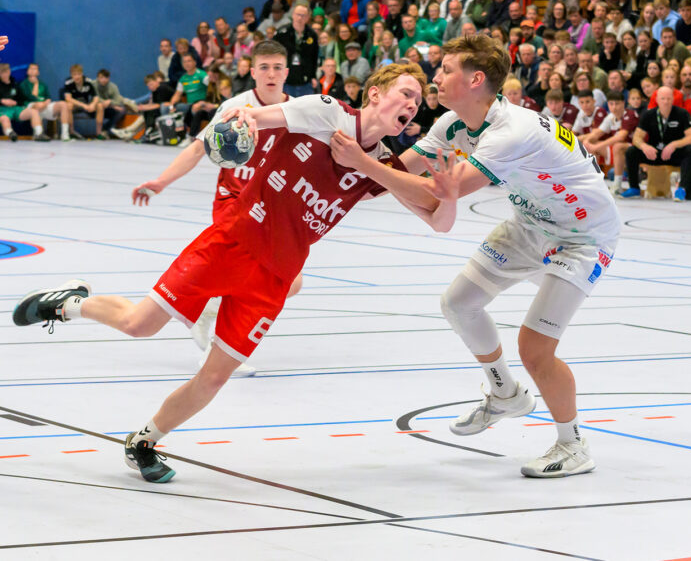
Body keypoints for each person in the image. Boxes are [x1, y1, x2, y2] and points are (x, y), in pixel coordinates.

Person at [13, 62, 451, 484]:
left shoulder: (380, 166)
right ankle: (69, 303)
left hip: (276, 276)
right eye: (406, 94)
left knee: (216, 376)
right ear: (375, 93)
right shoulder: (326, 111)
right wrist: (243, 119)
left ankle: (144, 442)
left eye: (417, 102)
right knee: (139, 325)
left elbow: (435, 212)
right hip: (232, 243)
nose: (412, 105)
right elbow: (256, 116)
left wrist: (435, 176)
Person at [340, 34, 621, 477]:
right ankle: (505, 393)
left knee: (535, 348)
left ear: (474, 80)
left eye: (445, 68)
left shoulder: (511, 132)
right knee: (458, 303)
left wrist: (361, 161)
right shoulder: (452, 123)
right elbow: (394, 176)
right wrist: (345, 156)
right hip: (530, 225)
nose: (435, 75)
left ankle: (574, 445)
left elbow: (443, 190)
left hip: (583, 237)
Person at [131, 41, 295, 372]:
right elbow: (196, 150)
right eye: (264, 67)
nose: (271, 74)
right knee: (255, 277)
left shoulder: (298, 111)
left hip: (272, 210)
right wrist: (162, 181)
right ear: (252, 72)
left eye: (278, 67)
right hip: (234, 206)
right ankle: (219, 348)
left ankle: (211, 312)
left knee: (293, 282)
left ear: (287, 72)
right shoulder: (236, 106)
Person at [620, 86, 691, 201]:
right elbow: (636, 138)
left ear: (673, 99)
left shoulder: (682, 114)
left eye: (668, 98)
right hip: (654, 154)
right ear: (657, 99)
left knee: (690, 150)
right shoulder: (648, 115)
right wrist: (644, 146)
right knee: (631, 151)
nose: (666, 102)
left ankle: (682, 189)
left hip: (673, 154)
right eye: (662, 99)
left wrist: (674, 145)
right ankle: (634, 188)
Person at [274, 4, 320, 97]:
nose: (300, 18)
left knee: (305, 109)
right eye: (298, 14)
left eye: (303, 15)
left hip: (305, 80)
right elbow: (274, 55)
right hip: (285, 79)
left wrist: (313, 76)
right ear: (293, 15)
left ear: (307, 17)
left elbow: (314, 57)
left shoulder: (312, 35)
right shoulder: (281, 33)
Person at [19, 62, 72, 141]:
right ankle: (38, 133)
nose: (33, 71)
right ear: (27, 71)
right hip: (31, 106)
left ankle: (65, 134)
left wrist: (45, 103)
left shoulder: (43, 84)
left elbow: (48, 98)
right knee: (37, 105)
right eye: (31, 69)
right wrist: (36, 84)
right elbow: (32, 97)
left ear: (38, 72)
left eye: (35, 69)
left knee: (63, 104)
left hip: (44, 106)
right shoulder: (24, 84)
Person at [63, 64, 105, 139]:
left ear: (82, 74)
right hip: (75, 105)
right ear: (71, 75)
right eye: (74, 74)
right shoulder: (68, 83)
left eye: (79, 74)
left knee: (100, 106)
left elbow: (96, 97)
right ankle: (72, 132)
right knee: (68, 105)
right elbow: (68, 98)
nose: (77, 77)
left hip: (86, 104)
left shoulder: (88, 82)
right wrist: (83, 105)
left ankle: (99, 133)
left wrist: (92, 104)